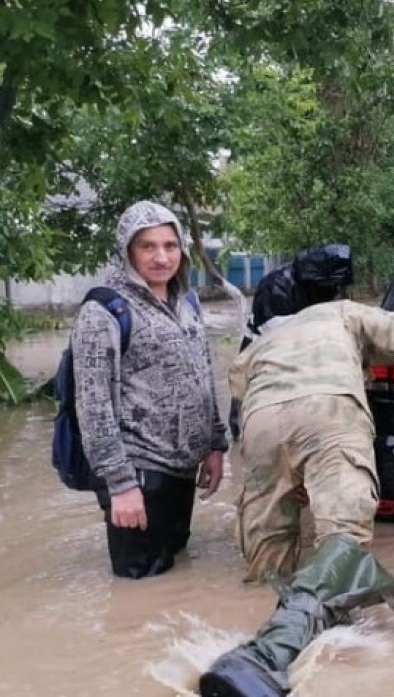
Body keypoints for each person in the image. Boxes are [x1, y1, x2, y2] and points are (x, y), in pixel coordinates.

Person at [201, 299, 394, 696]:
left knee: (266, 544)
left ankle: (260, 615)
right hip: (329, 408)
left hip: (261, 418)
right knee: (342, 535)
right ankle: (272, 655)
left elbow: (239, 388)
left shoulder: (265, 340)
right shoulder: (344, 311)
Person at [70, 200, 228, 579]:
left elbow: (203, 374)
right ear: (127, 250)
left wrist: (214, 444)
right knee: (140, 586)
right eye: (148, 246)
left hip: (181, 469)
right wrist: (120, 485)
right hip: (137, 471)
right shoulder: (104, 311)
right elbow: (93, 406)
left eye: (170, 246)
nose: (162, 257)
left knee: (175, 570)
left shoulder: (186, 301)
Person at [230, 243, 353, 438]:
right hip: (261, 345)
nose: (336, 290)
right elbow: (281, 341)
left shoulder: (316, 286)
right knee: (249, 395)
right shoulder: (277, 289)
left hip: (291, 340)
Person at [239, 243, 353, 352]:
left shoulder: (308, 285)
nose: (335, 290)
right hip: (263, 349)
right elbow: (279, 333)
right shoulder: (277, 288)